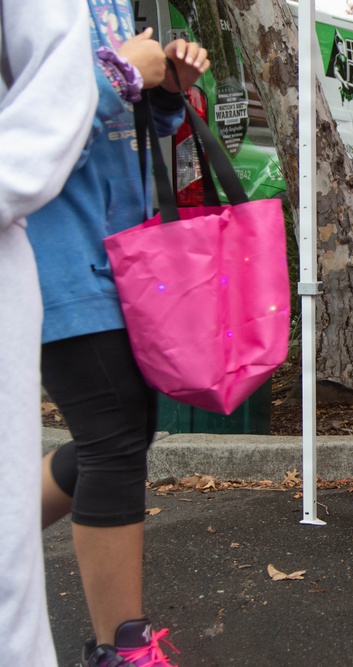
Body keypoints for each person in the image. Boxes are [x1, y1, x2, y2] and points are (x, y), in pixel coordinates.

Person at [27, 2, 209, 664]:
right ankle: (121, 648)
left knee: (124, 427)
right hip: (54, 249)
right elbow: (28, 125)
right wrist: (119, 73)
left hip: (123, 251)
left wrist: (164, 93)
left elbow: (115, 127)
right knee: (112, 429)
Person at [0, 1, 97, 663]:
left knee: (115, 440)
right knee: (109, 442)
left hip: (96, 257)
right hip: (74, 262)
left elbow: (64, 88)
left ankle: (123, 638)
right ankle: (123, 642)